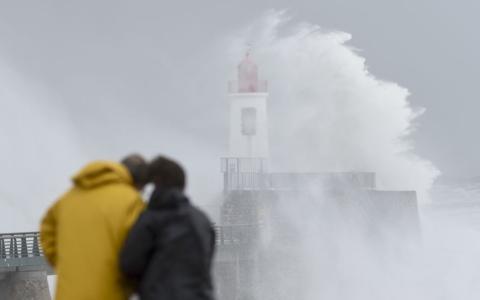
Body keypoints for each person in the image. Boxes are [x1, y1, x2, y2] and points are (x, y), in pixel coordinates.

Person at [40, 154, 148, 300]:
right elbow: (137, 253)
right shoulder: (133, 201)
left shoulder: (69, 197)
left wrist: (62, 262)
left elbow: (47, 229)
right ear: (139, 184)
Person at [120, 156, 216, 300]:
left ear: (153, 185)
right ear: (182, 186)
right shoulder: (203, 220)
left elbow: (130, 264)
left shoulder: (151, 218)